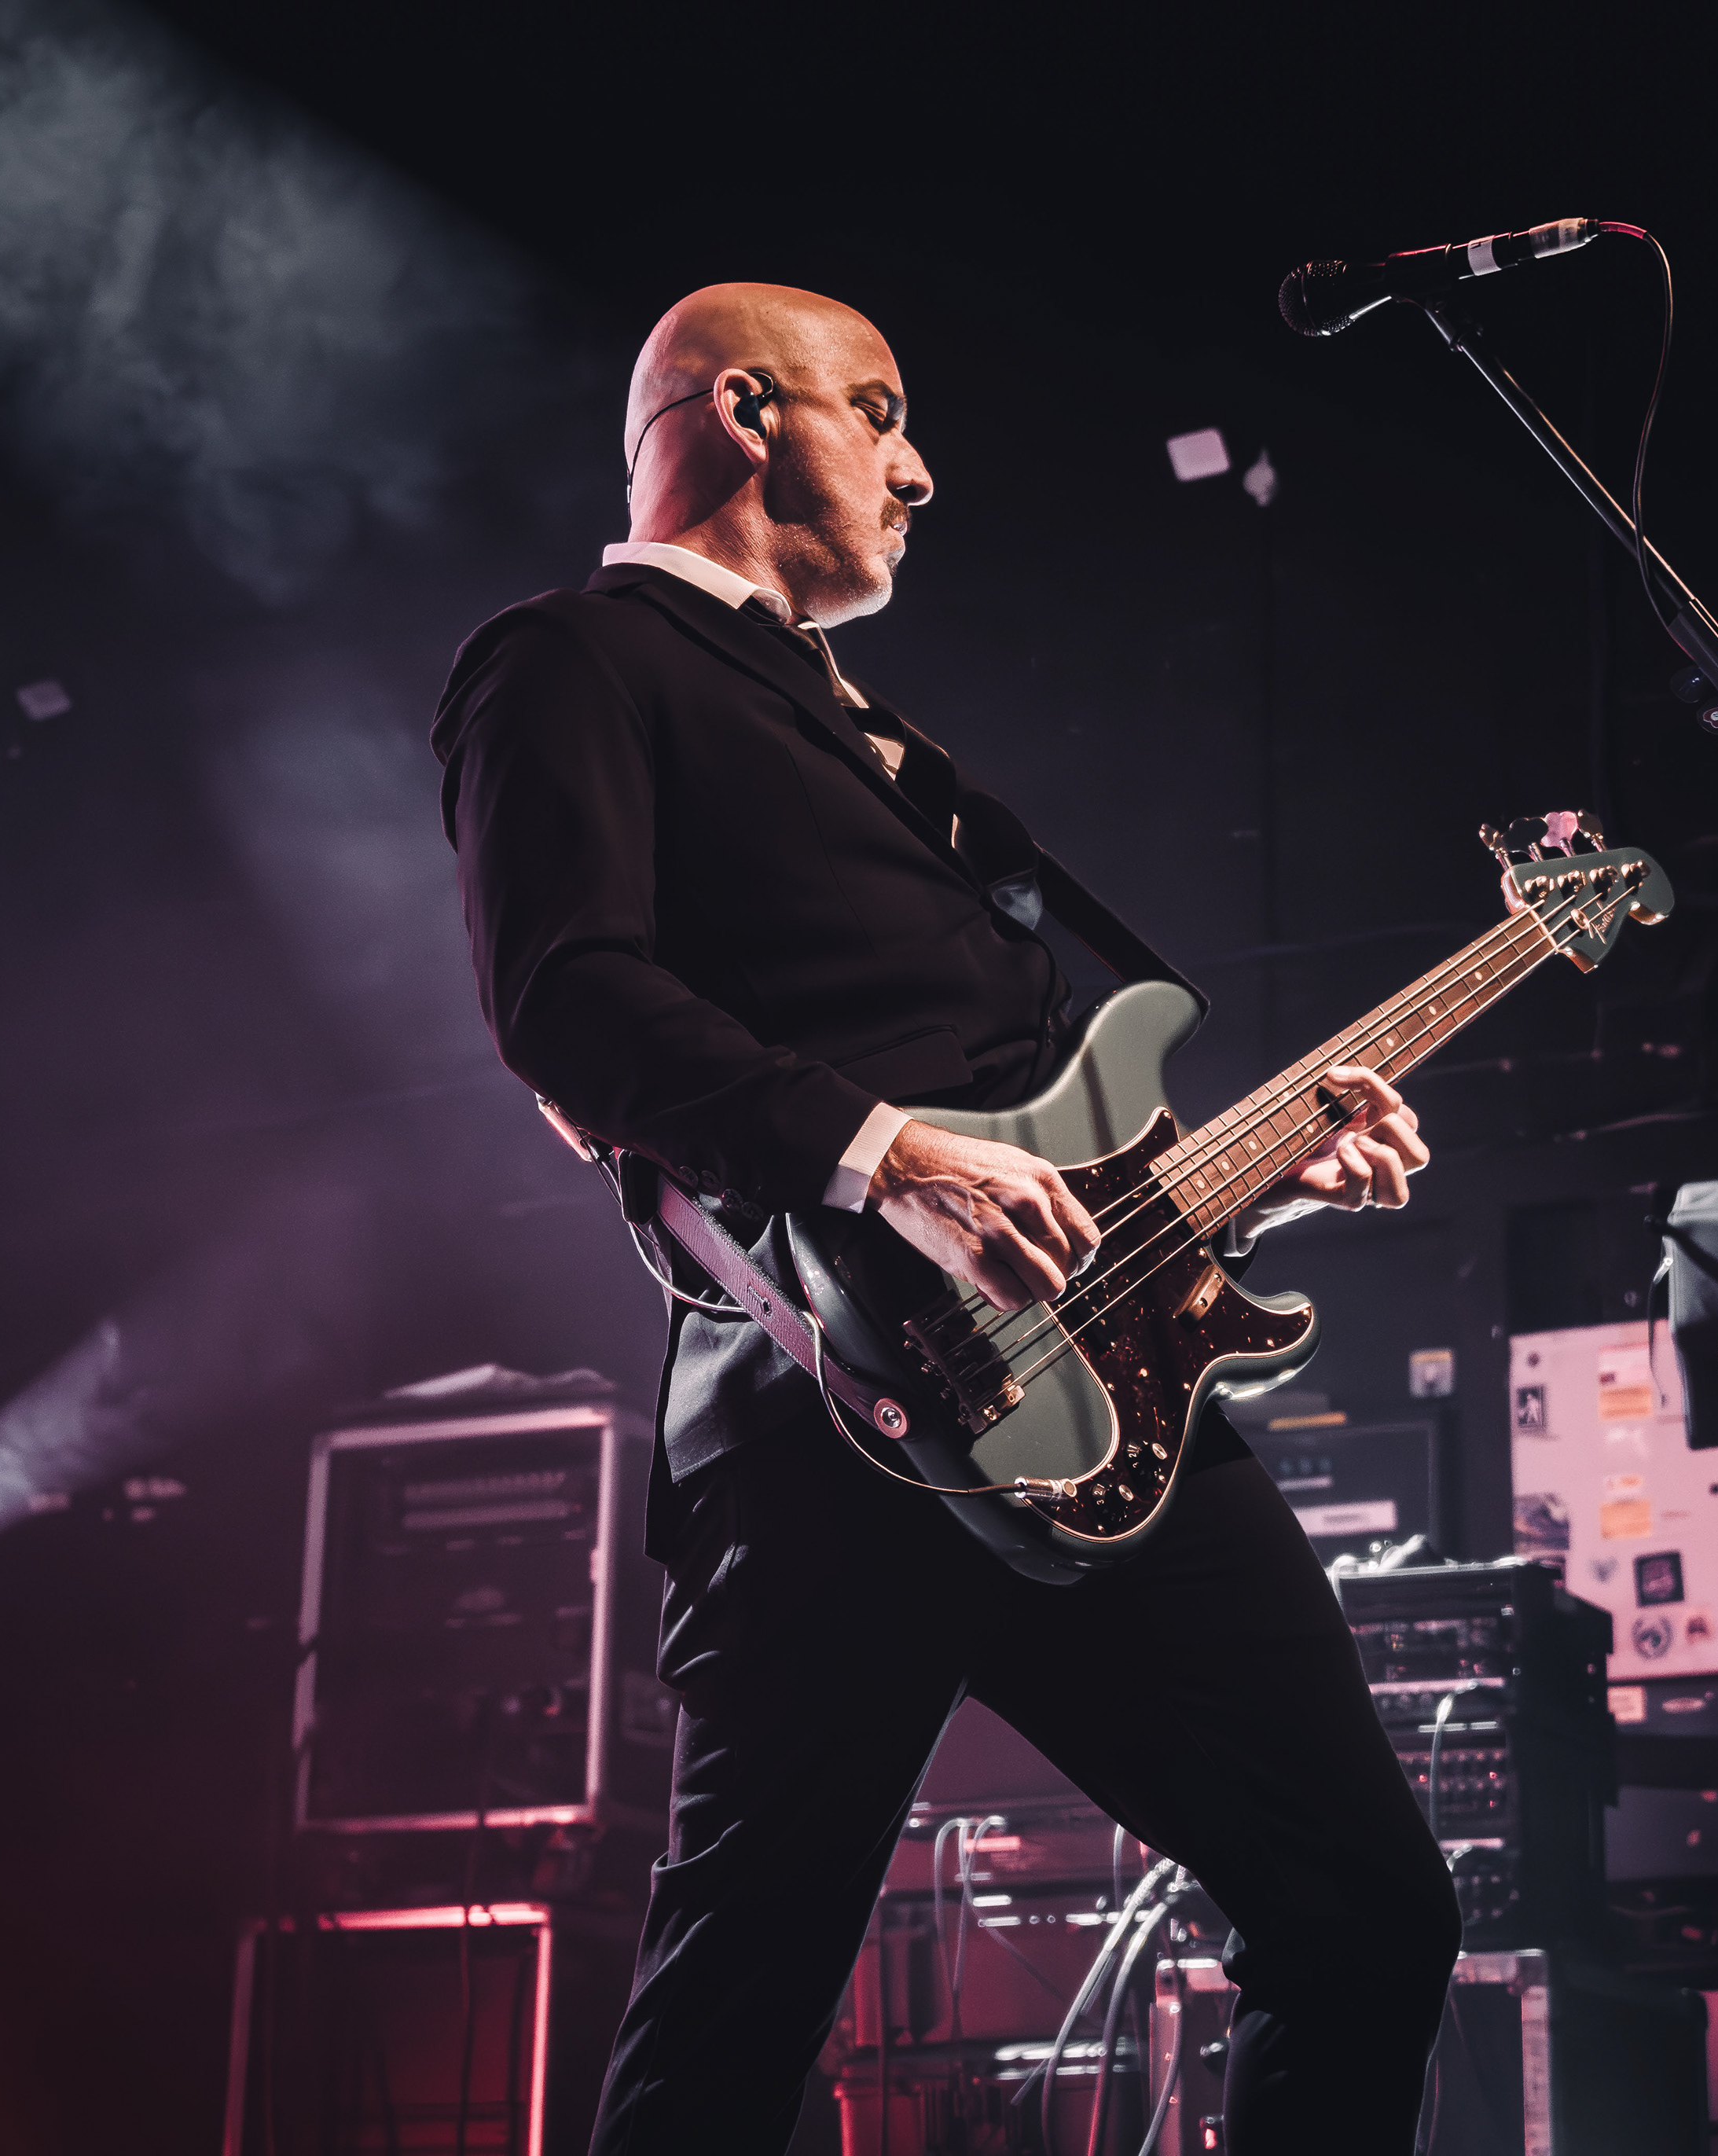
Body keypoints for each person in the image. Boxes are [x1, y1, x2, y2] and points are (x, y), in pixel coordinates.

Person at [435, 284, 1460, 2154]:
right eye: (883, 411)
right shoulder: (574, 660)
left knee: (1369, 1912)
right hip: (833, 1407)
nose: (920, 471)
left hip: (1105, 1408)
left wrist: (1251, 1179)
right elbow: (567, 998)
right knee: (741, 2002)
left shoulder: (893, 752)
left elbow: (1046, 1137)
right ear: (747, 410)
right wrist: (889, 1155)